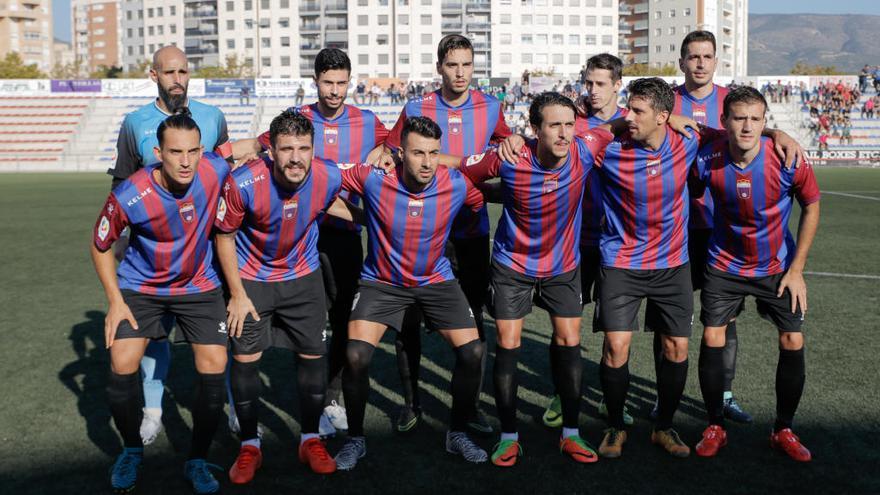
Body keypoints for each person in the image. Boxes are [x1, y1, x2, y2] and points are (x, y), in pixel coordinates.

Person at [590, 77, 798, 460]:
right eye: (628, 109)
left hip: (672, 263)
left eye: (637, 111)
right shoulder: (610, 147)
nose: (629, 116)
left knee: (676, 347)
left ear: (663, 116)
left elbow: (737, 129)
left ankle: (663, 426)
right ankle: (616, 427)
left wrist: (776, 131)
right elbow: (581, 139)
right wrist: (617, 124)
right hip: (621, 261)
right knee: (616, 348)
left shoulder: (688, 141)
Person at [458, 92, 624, 467]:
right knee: (508, 343)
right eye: (554, 126)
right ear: (535, 129)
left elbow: (617, 125)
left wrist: (675, 119)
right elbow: (461, 169)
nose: (564, 134)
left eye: (569, 124)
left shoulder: (584, 149)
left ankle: (571, 434)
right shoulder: (512, 158)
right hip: (512, 266)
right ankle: (508, 437)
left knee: (569, 342)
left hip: (563, 267)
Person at [242, 48, 390, 438]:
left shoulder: (368, 121)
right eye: (328, 82)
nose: (335, 91)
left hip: (344, 235)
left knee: (343, 319)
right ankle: (253, 398)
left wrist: (385, 149)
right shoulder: (298, 121)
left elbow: (397, 145)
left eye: (342, 83)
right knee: (303, 321)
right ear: (315, 81)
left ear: (351, 81)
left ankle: (331, 397)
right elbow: (259, 147)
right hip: (301, 234)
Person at [216, 111, 364, 483]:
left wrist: (375, 219)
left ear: (313, 150)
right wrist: (235, 293)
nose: (295, 157)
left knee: (313, 358)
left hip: (303, 279)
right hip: (252, 281)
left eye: (303, 148)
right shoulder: (244, 182)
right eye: (286, 149)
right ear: (271, 151)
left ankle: (310, 439)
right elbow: (225, 235)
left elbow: (328, 201)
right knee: (246, 360)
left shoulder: (327, 175)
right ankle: (249, 446)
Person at [333, 116, 488, 471]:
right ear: (400, 153)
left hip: (436, 281)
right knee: (355, 355)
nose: (428, 162)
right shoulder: (373, 179)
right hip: (381, 282)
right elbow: (319, 181)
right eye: (418, 153)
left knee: (473, 351)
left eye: (434, 153)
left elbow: (479, 205)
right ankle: (355, 439)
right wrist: (361, 216)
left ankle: (458, 433)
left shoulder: (455, 183)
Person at [382, 34, 513, 435]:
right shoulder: (416, 107)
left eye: (467, 64)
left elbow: (505, 149)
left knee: (473, 323)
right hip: (419, 234)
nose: (460, 72)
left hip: (470, 230)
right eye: (452, 64)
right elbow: (390, 153)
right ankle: (411, 402)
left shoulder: (491, 107)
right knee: (408, 323)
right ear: (439, 66)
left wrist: (513, 146)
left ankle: (469, 408)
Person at [93, 115, 231, 494]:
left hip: (198, 286)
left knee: (214, 368)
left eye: (192, 151)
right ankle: (132, 450)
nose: (185, 161)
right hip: (142, 287)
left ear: (202, 151)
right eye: (175, 152)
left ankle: (197, 460)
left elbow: (255, 148)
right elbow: (101, 244)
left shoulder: (214, 170)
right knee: (121, 363)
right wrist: (115, 301)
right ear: (158, 153)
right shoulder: (130, 194)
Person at [108, 45, 232, 447]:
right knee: (154, 339)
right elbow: (123, 186)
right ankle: (153, 410)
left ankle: (229, 406)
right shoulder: (135, 123)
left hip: (204, 253)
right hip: (150, 257)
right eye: (169, 72)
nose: (177, 78)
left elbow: (227, 171)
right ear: (154, 75)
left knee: (218, 342)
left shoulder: (213, 118)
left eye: (183, 71)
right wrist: (125, 253)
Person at [689, 86, 820, 462]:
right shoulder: (707, 158)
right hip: (724, 264)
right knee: (713, 336)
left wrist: (797, 270)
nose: (747, 126)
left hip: (777, 267)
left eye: (755, 119)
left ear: (765, 123)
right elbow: (692, 189)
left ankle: (783, 429)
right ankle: (715, 425)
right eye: (739, 118)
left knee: (792, 340)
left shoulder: (787, 158)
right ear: (724, 121)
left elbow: (811, 206)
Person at [645, 30, 749, 424]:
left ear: (716, 60)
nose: (700, 63)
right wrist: (669, 117)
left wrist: (777, 132)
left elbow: (753, 128)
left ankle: (723, 395)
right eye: (693, 56)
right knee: (666, 315)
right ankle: (663, 395)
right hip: (672, 225)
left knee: (724, 316)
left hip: (722, 225)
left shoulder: (731, 101)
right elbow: (630, 125)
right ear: (682, 62)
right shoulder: (664, 103)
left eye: (707, 56)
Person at [543, 53, 636, 429]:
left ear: (618, 85)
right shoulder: (573, 123)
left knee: (616, 332)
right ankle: (560, 392)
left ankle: (613, 399)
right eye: (589, 83)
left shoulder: (635, 122)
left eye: (601, 84)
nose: (593, 91)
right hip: (573, 240)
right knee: (566, 327)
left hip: (618, 242)